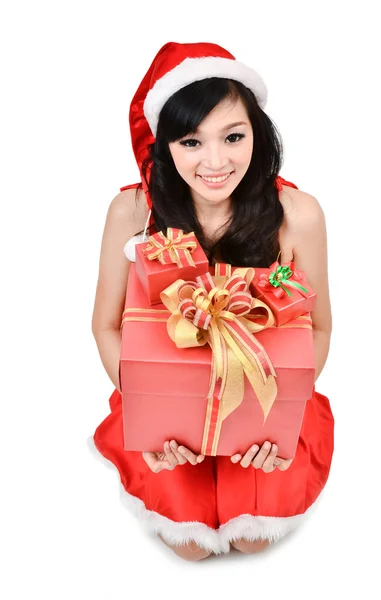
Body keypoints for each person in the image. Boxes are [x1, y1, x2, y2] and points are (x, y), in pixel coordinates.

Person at [91, 41, 334, 562]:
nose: (216, 162)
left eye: (233, 136)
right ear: (164, 145)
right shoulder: (133, 212)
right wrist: (147, 410)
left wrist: (280, 416)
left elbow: (318, 329)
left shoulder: (298, 214)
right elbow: (106, 326)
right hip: (166, 398)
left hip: (259, 392)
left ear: (258, 134)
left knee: (250, 534)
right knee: (191, 549)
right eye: (191, 142)